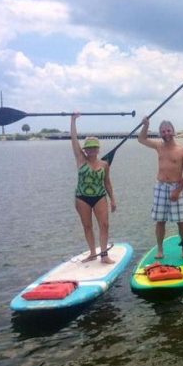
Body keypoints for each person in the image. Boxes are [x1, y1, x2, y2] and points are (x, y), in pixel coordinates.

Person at [138, 117, 183, 258]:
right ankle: (160, 249)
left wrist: (178, 190)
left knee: (181, 220)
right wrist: (146, 125)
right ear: (160, 133)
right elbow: (141, 139)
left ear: (173, 131)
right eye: (163, 131)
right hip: (161, 186)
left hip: (176, 186)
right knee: (160, 220)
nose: (166, 133)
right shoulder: (159, 146)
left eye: (168, 130)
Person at [71, 113, 116, 264]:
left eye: (94, 147)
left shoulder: (104, 164)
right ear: (85, 150)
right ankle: (92, 253)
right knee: (87, 225)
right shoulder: (80, 159)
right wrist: (73, 120)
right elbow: (74, 140)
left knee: (104, 224)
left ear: (98, 149)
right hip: (82, 197)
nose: (91, 150)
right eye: (88, 148)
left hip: (100, 196)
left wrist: (113, 200)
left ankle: (104, 255)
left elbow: (107, 183)